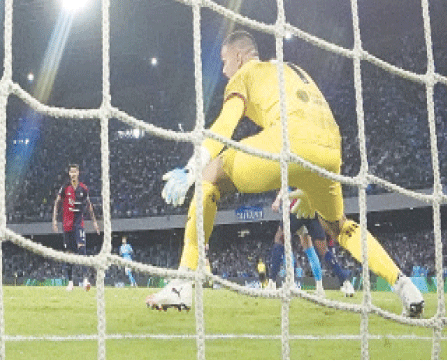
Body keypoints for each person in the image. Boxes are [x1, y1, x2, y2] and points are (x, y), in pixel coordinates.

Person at [148, 30, 424, 317]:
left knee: (210, 174)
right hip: (330, 150)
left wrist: (191, 168)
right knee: (339, 226)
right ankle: (404, 286)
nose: (224, 69)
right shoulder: (291, 69)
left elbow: (225, 124)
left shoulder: (245, 74)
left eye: (224, 60)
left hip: (289, 142)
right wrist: (307, 185)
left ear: (239, 56)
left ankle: (182, 283)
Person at [267, 189, 355, 297]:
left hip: (297, 211)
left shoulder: (295, 182)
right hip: (312, 213)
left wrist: (278, 199)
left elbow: (287, 186)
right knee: (319, 249)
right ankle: (334, 285)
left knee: (280, 240)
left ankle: (273, 282)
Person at [52, 163, 100, 291]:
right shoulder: (65, 188)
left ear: (78, 173)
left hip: (78, 223)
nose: (73, 174)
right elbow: (57, 203)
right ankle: (70, 282)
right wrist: (54, 220)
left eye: (75, 172)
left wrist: (94, 222)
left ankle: (85, 280)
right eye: (71, 172)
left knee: (82, 248)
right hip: (67, 225)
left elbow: (89, 205)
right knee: (69, 253)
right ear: (69, 173)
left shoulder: (83, 188)